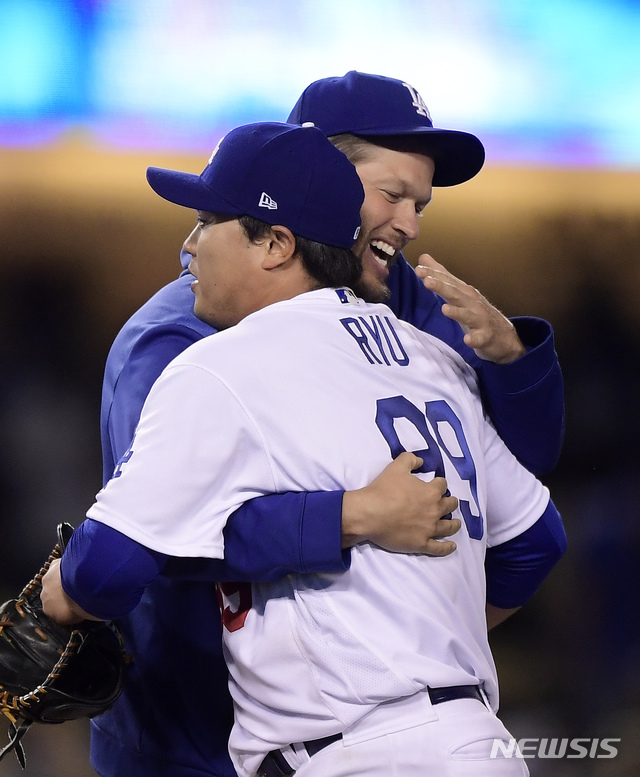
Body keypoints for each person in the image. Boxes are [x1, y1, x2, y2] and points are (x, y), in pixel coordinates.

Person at [73, 71, 564, 777]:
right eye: (392, 194)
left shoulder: (401, 307)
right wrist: (351, 516)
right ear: (314, 178)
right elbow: (163, 540)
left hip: (338, 731)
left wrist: (515, 366)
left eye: (420, 202)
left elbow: (517, 495)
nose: (411, 223)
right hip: (186, 730)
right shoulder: (177, 336)